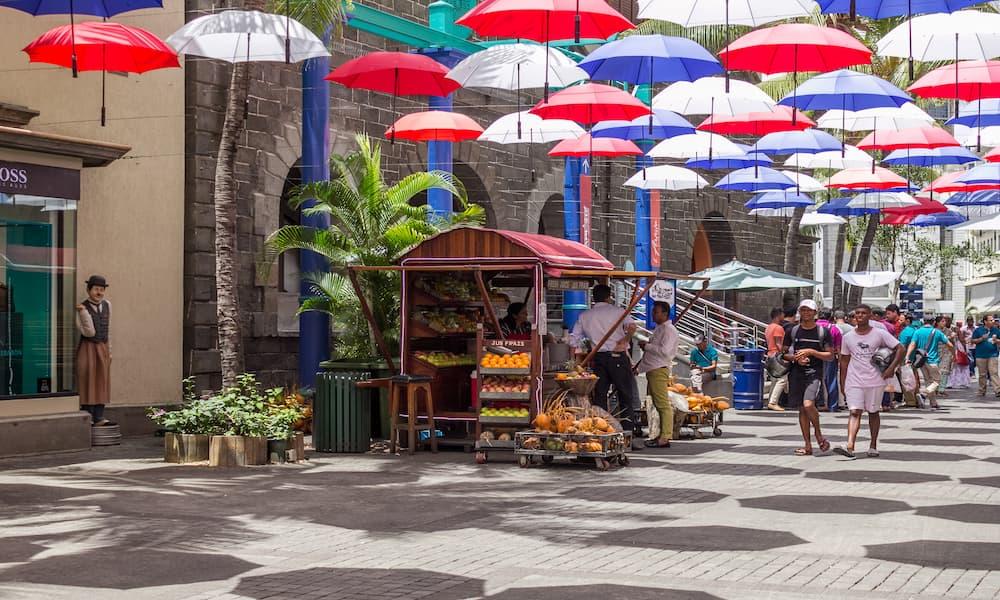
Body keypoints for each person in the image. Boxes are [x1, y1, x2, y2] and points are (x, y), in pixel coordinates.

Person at [835, 304, 904, 460]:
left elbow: (900, 348)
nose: (860, 316)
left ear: (870, 315)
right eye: (857, 313)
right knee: (854, 411)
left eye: (863, 313)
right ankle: (850, 446)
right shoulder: (848, 337)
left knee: (873, 412)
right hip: (854, 380)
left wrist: (891, 368)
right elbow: (844, 361)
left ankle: (873, 445)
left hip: (875, 380)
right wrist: (842, 383)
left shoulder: (879, 333)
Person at [571, 284, 638, 431]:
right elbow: (632, 327)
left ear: (593, 298)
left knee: (600, 395)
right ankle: (627, 430)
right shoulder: (618, 311)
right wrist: (625, 339)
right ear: (609, 297)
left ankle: (601, 429)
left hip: (599, 358)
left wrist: (574, 360)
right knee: (624, 395)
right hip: (617, 356)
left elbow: (573, 340)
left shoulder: (585, 315)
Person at [782, 299, 834, 456]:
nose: (806, 313)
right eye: (803, 310)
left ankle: (818, 434)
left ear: (815, 313)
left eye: (809, 310)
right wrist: (795, 358)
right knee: (802, 409)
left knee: (808, 404)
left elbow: (830, 355)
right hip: (796, 373)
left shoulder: (822, 332)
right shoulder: (792, 331)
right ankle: (807, 445)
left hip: (814, 373)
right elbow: (783, 353)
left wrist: (812, 352)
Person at [637, 302, 679, 448]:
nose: (653, 314)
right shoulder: (660, 329)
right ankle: (660, 434)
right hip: (652, 368)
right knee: (656, 404)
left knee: (662, 404)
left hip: (659, 369)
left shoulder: (669, 330)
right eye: (653, 311)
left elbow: (665, 351)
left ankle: (665, 436)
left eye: (656, 312)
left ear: (665, 313)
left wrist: (647, 346)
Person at [76, 275, 114, 426]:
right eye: (96, 289)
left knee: (101, 380)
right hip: (88, 347)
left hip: (103, 346)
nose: (99, 292)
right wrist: (84, 313)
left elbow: (108, 329)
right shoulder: (81, 308)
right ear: (88, 290)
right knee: (88, 379)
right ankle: (88, 415)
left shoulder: (107, 305)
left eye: (101, 289)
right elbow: (89, 332)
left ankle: (99, 416)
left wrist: (109, 350)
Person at [907, 316, 953, 410]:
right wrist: (953, 353)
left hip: (921, 360)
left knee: (928, 381)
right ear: (934, 322)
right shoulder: (937, 332)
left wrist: (907, 356)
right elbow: (949, 344)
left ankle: (933, 403)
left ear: (923, 322)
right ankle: (924, 394)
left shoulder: (917, 332)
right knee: (937, 381)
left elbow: (912, 344)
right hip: (932, 360)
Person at [817, 308, 844, 412]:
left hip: (814, 356)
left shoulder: (813, 326)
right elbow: (838, 348)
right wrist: (840, 361)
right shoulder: (834, 329)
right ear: (831, 317)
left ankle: (817, 403)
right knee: (831, 381)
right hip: (830, 357)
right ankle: (832, 405)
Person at [971, 315, 1000, 398]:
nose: (993, 321)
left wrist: (996, 340)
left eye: (993, 320)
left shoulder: (996, 330)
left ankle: (998, 391)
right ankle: (982, 391)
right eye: (991, 320)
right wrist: (982, 338)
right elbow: (972, 341)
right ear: (985, 321)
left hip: (993, 354)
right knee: (982, 374)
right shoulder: (978, 330)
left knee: (994, 373)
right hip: (980, 355)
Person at [765, 307, 787, 412]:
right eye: (783, 314)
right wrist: (784, 354)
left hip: (769, 354)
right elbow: (779, 344)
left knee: (774, 380)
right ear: (779, 315)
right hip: (776, 356)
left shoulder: (768, 327)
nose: (784, 316)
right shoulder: (778, 328)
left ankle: (771, 401)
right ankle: (773, 402)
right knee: (782, 379)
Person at [951, 320, 973, 389]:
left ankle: (960, 382)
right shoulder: (957, 335)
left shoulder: (958, 334)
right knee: (959, 368)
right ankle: (961, 382)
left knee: (958, 368)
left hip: (960, 353)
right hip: (959, 353)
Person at [937, 316, 955, 395]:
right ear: (937, 323)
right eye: (942, 321)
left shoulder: (949, 331)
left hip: (946, 353)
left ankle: (942, 389)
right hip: (936, 353)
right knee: (936, 372)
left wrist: (954, 354)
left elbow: (953, 344)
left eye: (945, 321)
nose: (944, 323)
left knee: (944, 372)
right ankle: (935, 389)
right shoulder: (935, 331)